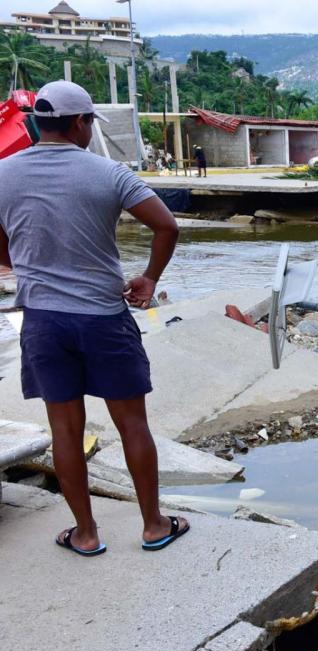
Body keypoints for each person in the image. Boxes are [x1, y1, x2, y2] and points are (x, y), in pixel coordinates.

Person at [0, 81, 186, 557]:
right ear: (81, 122)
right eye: (89, 124)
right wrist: (147, 278)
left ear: (38, 123)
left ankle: (85, 533)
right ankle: (153, 525)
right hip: (104, 317)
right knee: (132, 425)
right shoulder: (108, 172)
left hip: (42, 319)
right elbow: (166, 226)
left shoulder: (3, 174)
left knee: (65, 430)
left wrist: (20, 262)